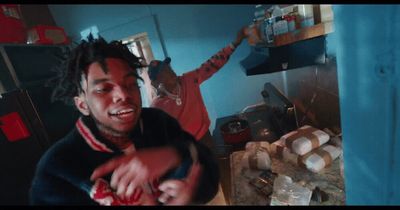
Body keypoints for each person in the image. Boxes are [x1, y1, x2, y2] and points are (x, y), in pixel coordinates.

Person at [29, 35, 219, 205]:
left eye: (130, 84)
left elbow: (208, 175)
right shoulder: (57, 168)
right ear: (82, 105)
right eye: (104, 89)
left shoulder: (158, 123)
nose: (123, 94)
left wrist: (174, 157)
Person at [148, 27, 247, 149]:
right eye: (164, 72)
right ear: (156, 82)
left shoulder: (189, 80)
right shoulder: (157, 106)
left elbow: (212, 64)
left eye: (169, 68)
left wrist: (235, 43)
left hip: (205, 139)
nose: (171, 71)